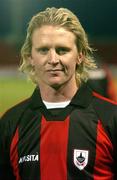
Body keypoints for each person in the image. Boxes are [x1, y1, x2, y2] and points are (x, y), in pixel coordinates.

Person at [0, 7, 117, 180]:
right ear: (30, 56)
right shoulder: (10, 123)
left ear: (80, 55)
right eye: (43, 50)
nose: (53, 59)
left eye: (62, 50)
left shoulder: (111, 118)